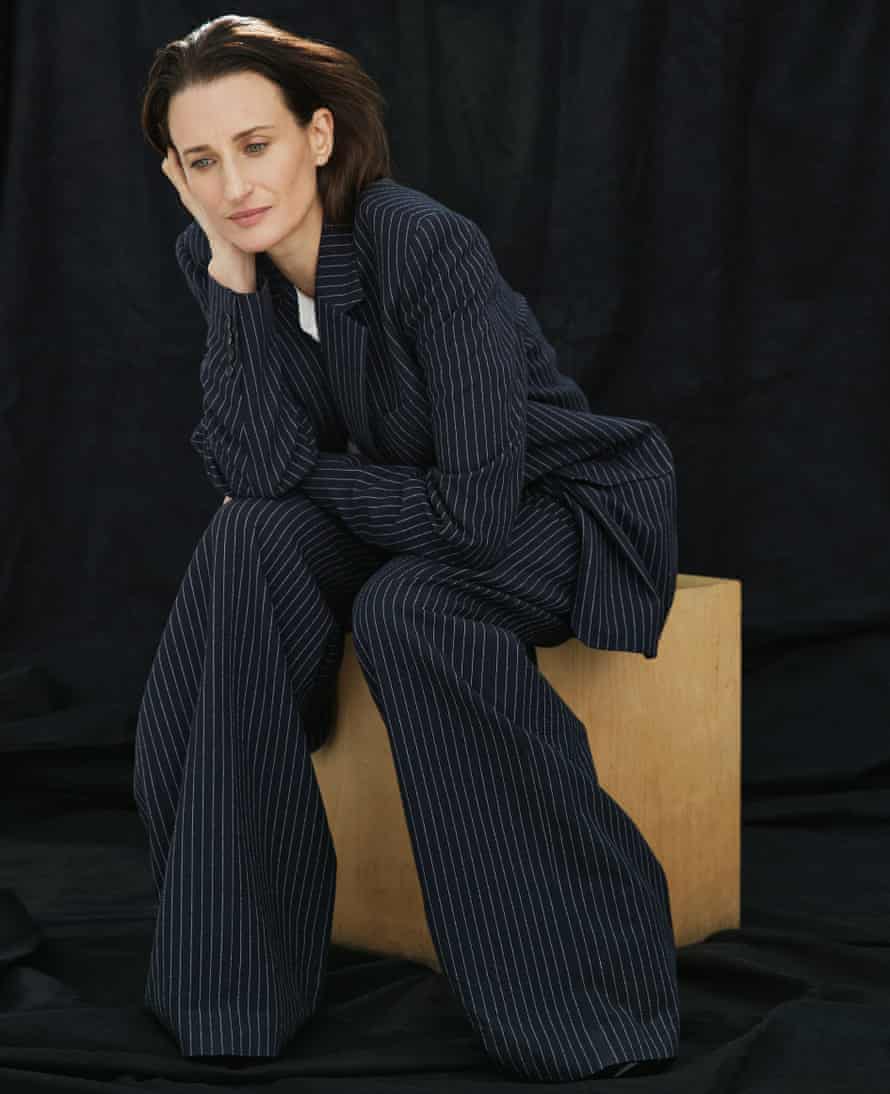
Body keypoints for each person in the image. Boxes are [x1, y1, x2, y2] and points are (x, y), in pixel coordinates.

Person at [134, 13, 680, 1081]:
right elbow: (248, 460)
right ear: (174, 173)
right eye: (202, 159)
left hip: (556, 511)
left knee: (407, 606)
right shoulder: (218, 257)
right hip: (402, 509)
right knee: (248, 542)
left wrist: (295, 477)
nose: (235, 182)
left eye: (257, 144)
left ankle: (583, 993)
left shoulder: (419, 241)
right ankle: (231, 982)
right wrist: (236, 299)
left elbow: (473, 516)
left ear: (319, 136)